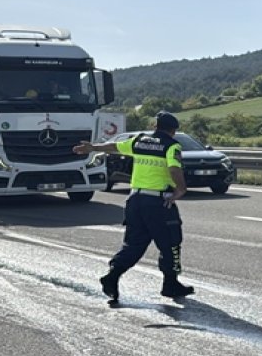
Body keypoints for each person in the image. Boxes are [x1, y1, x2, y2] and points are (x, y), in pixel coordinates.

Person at [73, 111, 193, 304]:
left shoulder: (139, 141)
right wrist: (181, 190)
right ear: (173, 131)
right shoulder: (172, 146)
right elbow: (174, 168)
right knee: (171, 242)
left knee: (134, 245)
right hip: (159, 203)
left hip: (135, 201)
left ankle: (112, 276)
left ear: (155, 127)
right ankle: (170, 284)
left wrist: (93, 147)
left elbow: (115, 147)